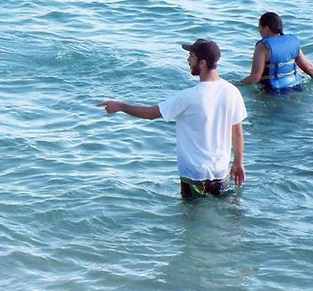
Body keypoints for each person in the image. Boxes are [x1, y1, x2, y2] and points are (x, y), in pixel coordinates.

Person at [100, 39, 246, 200]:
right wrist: (238, 163)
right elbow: (237, 132)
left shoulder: (189, 96)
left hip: (193, 175)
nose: (188, 60)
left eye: (191, 56)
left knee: (192, 223)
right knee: (222, 222)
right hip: (220, 173)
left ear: (202, 63)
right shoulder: (232, 92)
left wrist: (121, 106)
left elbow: (152, 113)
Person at [237, 12, 313, 92]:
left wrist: (237, 84)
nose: (259, 31)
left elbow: (255, 78)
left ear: (266, 28)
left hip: (272, 92)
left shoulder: (263, 47)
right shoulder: (292, 42)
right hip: (296, 87)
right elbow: (309, 68)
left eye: (260, 28)